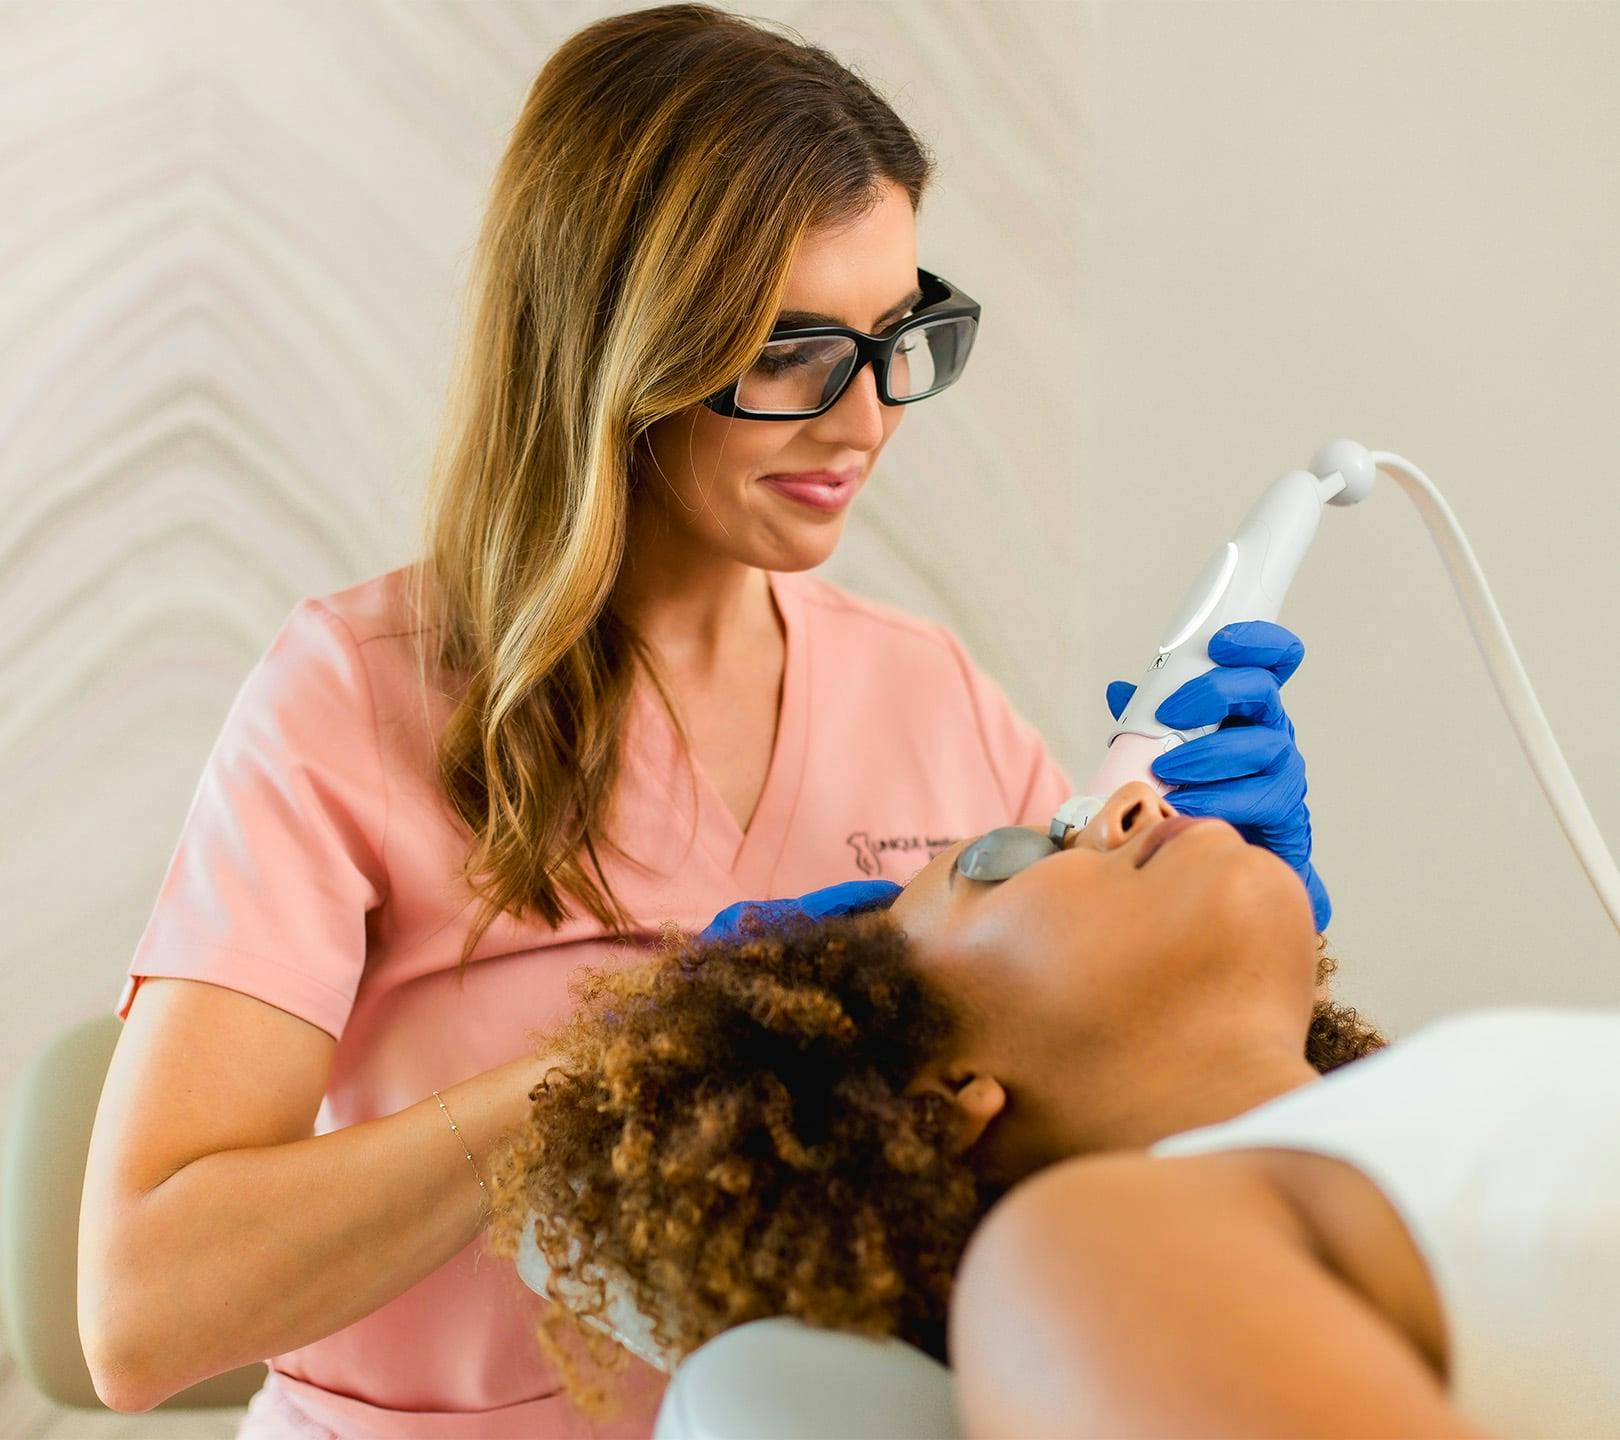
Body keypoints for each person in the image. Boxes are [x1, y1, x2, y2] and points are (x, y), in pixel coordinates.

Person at [77, 6, 1329, 1438]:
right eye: (793, 350)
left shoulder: (927, 696)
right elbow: (143, 1316)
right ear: (617, 345)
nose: (864, 422)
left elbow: (1092, 1140)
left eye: (899, 337)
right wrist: (625, 1066)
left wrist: (1249, 961)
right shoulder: (355, 698)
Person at [488, 781, 1620, 1438]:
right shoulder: (1078, 1264)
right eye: (1006, 859)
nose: (1129, 802)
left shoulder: (1444, 1090)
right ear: (937, 1103)